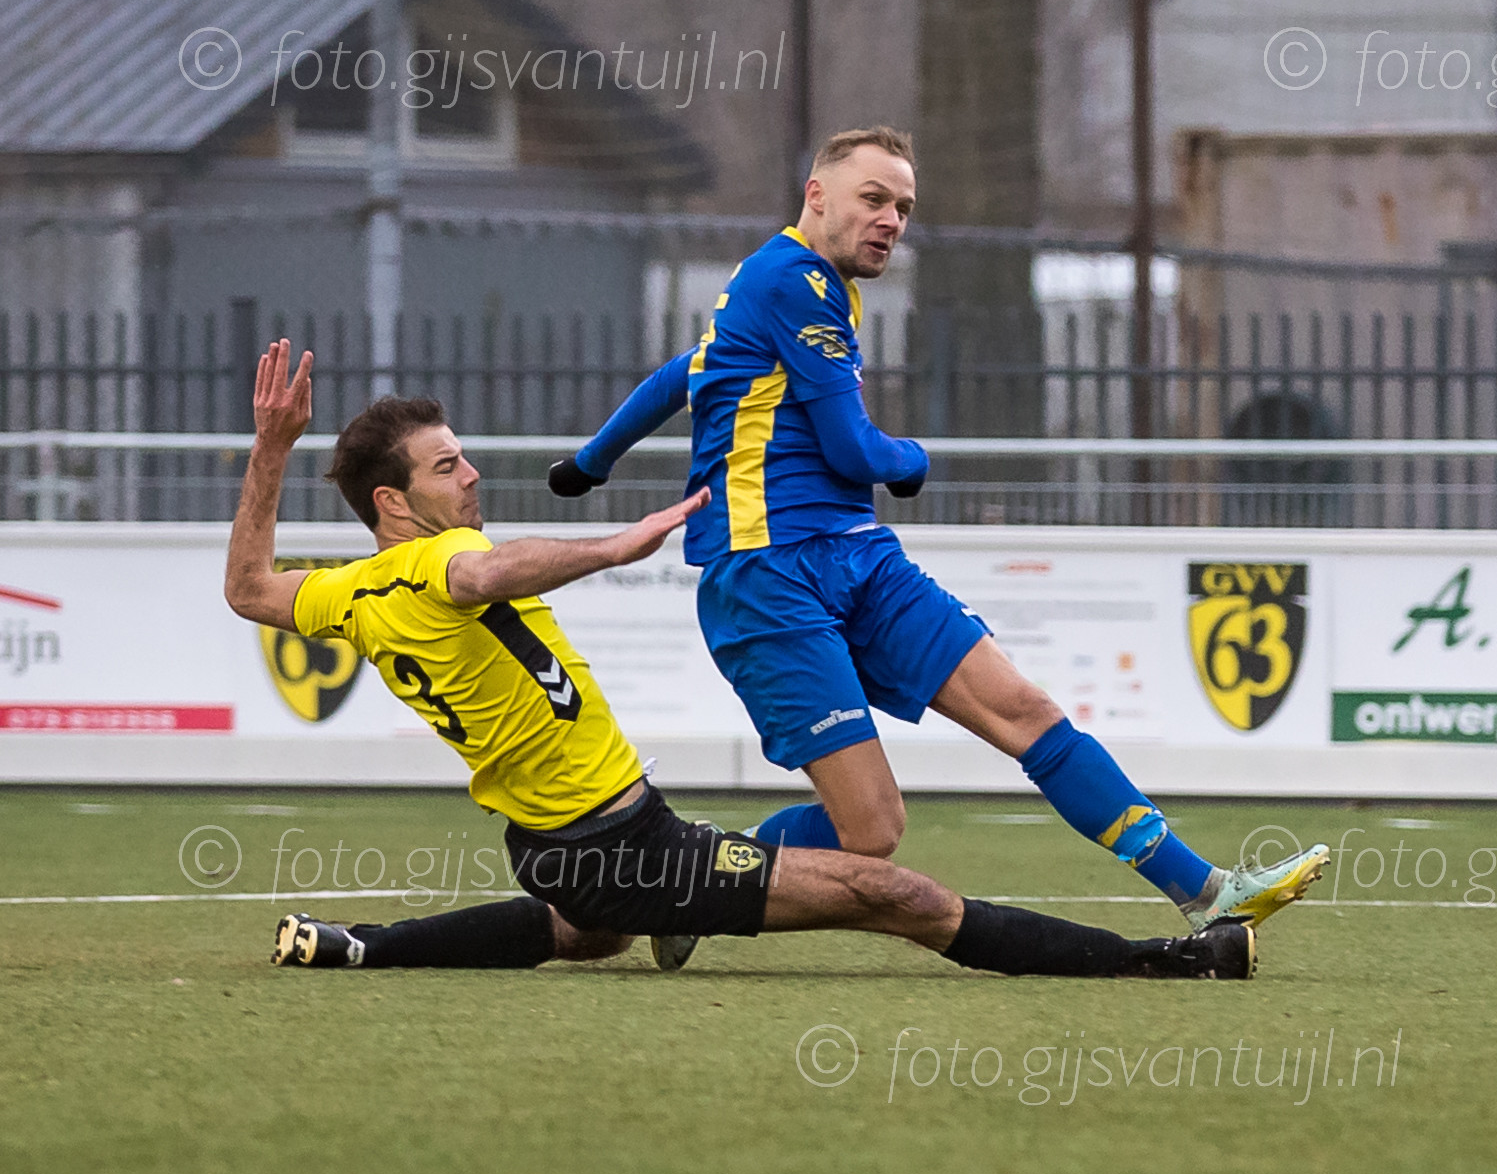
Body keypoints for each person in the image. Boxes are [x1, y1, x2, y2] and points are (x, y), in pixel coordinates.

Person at [227, 340, 1252, 980]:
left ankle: (358, 944)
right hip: (625, 848)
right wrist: (613, 547)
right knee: (897, 895)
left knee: (590, 931)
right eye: (448, 464)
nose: (472, 473)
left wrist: (271, 449)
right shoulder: (431, 562)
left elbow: (248, 589)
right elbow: (486, 572)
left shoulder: (348, 592)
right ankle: (1169, 961)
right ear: (394, 503)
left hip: (559, 850)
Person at [548, 126, 1328, 929]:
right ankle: (691, 883)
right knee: (872, 831)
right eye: (873, 199)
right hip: (768, 573)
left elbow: (684, 371)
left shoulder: (795, 285)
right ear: (816, 196)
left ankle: (1205, 891)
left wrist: (591, 461)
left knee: (1025, 710)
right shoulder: (792, 281)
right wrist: (913, 458)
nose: (891, 220)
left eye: (904, 207)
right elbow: (854, 450)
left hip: (859, 558)